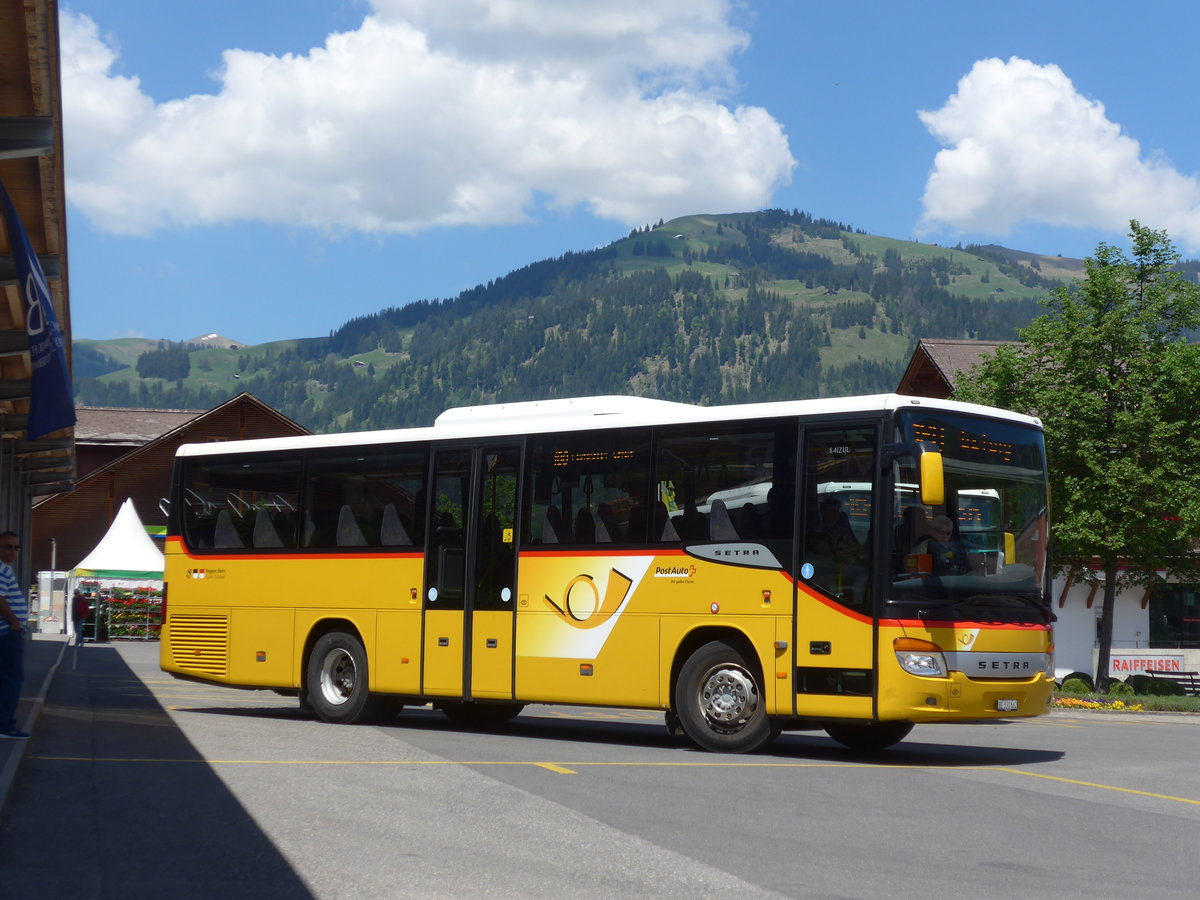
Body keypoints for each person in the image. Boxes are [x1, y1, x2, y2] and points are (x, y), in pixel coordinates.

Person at [0, 531, 29, 740]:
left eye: (16, 547)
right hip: (7, 633)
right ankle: (5, 725)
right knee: (12, 680)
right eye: (7, 547)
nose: (13, 551)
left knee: (6, 680)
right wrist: (14, 621)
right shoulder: (1, 569)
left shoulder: (5, 569)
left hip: (7, 632)